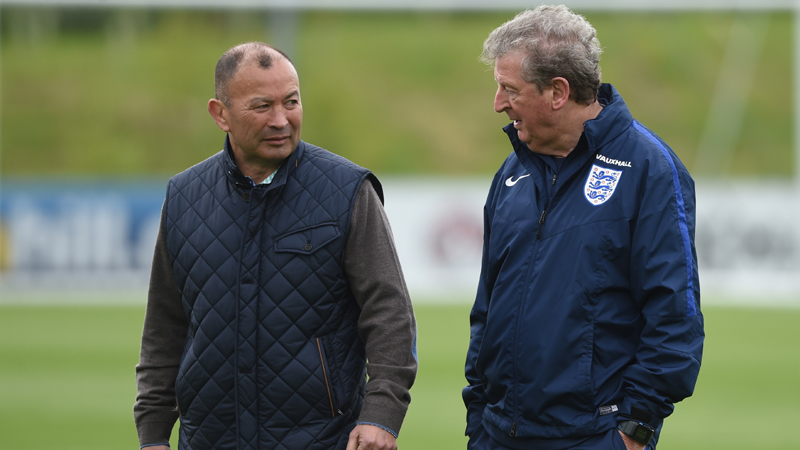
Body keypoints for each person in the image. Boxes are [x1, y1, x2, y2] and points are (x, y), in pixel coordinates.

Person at [134, 42, 417, 450]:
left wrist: (382, 415)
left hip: (322, 439)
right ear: (220, 114)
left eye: (291, 102)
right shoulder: (183, 198)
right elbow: (164, 326)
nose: (281, 119)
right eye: (262, 106)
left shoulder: (348, 191)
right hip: (208, 440)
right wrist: (153, 433)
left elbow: (389, 312)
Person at [463, 6, 704, 450]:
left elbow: (674, 316)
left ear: (558, 91)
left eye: (509, 89)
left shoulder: (648, 169)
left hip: (593, 437)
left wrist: (634, 431)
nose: (498, 103)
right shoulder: (512, 173)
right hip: (497, 435)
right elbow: (487, 309)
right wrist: (479, 417)